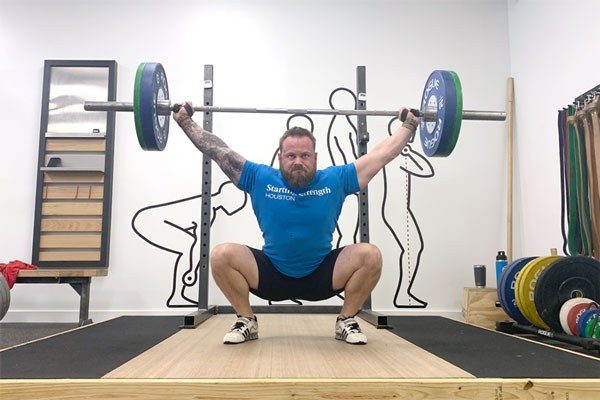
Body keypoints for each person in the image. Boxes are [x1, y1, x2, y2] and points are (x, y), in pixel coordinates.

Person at [173, 103, 420, 345]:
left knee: (370, 255)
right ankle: (246, 320)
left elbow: (381, 154)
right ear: (281, 157)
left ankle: (346, 320)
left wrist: (409, 124)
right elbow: (218, 151)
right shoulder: (259, 177)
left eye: (305, 155)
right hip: (271, 275)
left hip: (322, 276)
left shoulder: (336, 179)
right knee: (221, 255)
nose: (298, 161)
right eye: (291, 155)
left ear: (315, 157)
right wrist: (185, 121)